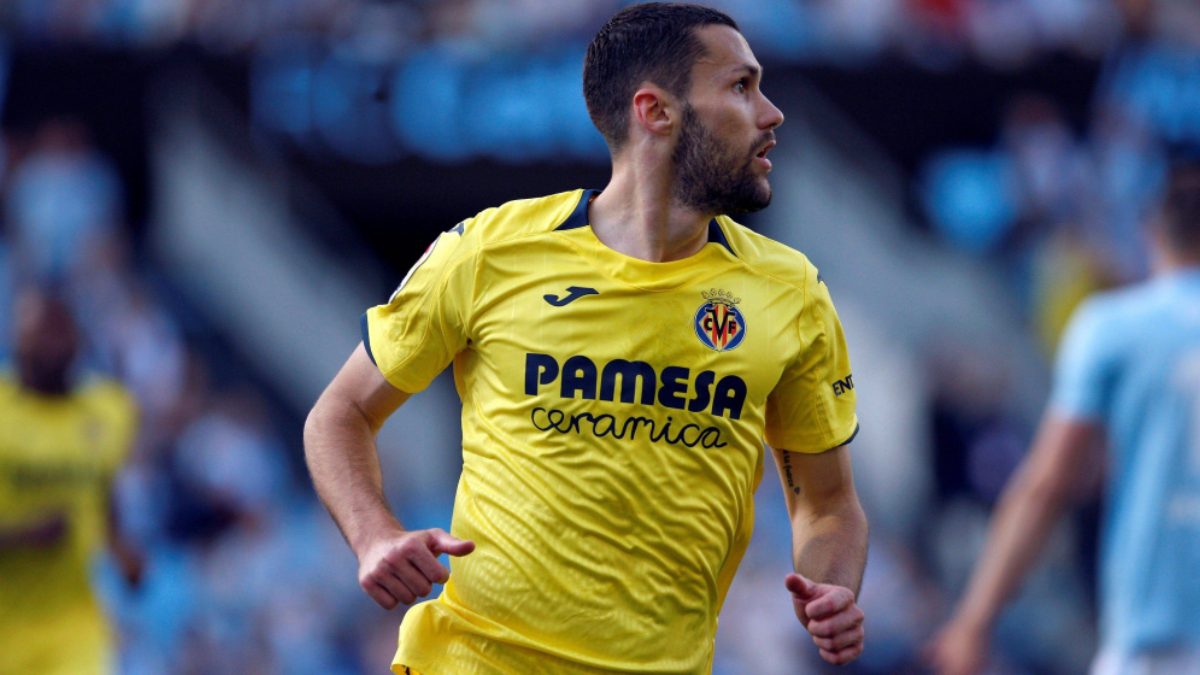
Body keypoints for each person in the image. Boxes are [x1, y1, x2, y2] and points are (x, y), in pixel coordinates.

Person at [305, 4, 868, 672]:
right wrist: (374, 537)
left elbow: (829, 504)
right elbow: (339, 413)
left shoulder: (791, 291)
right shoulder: (490, 251)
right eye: (742, 87)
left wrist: (833, 586)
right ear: (655, 111)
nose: (770, 113)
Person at [926, 160, 1200, 675]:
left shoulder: (1113, 328)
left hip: (1157, 638)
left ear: (1151, 234)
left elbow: (1047, 483)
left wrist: (974, 619)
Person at [0, 287, 142, 674]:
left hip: (72, 623)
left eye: (57, 332)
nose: (49, 345)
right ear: (17, 343)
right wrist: (25, 535)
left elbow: (102, 487)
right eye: (36, 335)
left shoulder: (109, 411)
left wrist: (118, 544)